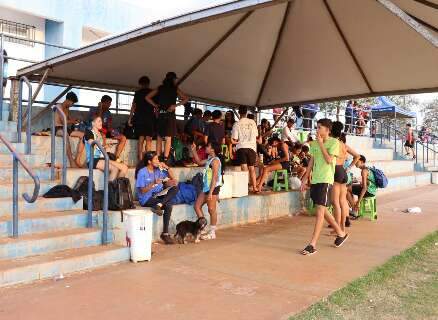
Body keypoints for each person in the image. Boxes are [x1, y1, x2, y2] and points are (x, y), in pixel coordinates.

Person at [300, 118, 349, 255]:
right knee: (322, 209)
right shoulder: (314, 143)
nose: (317, 130)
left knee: (320, 211)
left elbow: (328, 160)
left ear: (327, 130)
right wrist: (305, 178)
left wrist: (321, 144)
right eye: (317, 127)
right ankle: (340, 233)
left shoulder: (334, 143)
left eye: (319, 127)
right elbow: (312, 161)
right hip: (315, 179)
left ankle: (312, 244)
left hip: (326, 180)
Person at [136, 151, 178, 245]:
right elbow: (142, 191)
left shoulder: (158, 170)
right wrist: (153, 183)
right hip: (146, 199)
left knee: (175, 188)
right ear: (149, 161)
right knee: (169, 205)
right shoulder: (142, 172)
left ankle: (159, 204)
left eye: (158, 159)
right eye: (155, 159)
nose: (158, 161)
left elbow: (174, 181)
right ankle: (165, 233)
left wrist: (166, 167)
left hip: (157, 196)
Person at [146, 72, 189, 163]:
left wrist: (156, 105)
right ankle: (165, 159)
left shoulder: (160, 88)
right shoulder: (175, 89)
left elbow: (147, 97)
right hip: (170, 114)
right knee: (168, 138)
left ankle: (157, 158)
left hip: (161, 114)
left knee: (159, 137)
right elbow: (186, 98)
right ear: (173, 79)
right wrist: (175, 105)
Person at [191, 142, 224, 240]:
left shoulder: (215, 161)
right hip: (206, 187)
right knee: (197, 206)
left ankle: (212, 232)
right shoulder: (210, 159)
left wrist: (211, 193)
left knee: (211, 209)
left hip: (212, 188)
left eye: (208, 146)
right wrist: (193, 150)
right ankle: (203, 227)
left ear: (213, 149)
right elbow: (198, 162)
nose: (206, 148)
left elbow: (214, 178)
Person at [330, 121, 360, 233]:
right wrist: (349, 168)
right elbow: (357, 156)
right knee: (342, 201)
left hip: (336, 172)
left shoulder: (333, 143)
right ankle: (341, 227)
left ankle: (337, 229)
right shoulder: (343, 145)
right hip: (343, 172)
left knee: (335, 202)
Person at [84, 115, 128, 181]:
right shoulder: (89, 132)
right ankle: (110, 190)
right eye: (99, 121)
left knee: (124, 167)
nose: (101, 123)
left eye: (101, 121)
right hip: (93, 160)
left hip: (102, 158)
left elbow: (99, 148)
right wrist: (101, 145)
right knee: (114, 169)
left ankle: (118, 188)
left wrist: (105, 146)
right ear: (93, 123)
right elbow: (92, 143)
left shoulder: (100, 134)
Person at [128, 76, 157, 161]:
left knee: (141, 139)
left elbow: (133, 106)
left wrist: (130, 118)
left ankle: (140, 160)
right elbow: (156, 107)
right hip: (149, 118)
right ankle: (148, 161)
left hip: (139, 118)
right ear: (148, 83)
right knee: (149, 140)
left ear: (140, 84)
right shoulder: (152, 92)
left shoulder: (137, 93)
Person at [231, 105, 259, 192]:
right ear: (246, 112)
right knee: (252, 169)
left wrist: (232, 140)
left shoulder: (237, 124)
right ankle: (254, 188)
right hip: (251, 147)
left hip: (241, 147)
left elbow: (235, 138)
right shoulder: (253, 122)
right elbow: (256, 135)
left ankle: (245, 188)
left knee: (244, 169)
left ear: (239, 112)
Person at [91, 95, 127, 159]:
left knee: (123, 138)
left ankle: (116, 158)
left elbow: (109, 127)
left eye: (110, 103)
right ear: (103, 103)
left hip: (105, 130)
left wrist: (114, 132)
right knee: (103, 136)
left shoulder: (108, 113)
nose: (109, 105)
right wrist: (100, 108)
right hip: (97, 131)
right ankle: (103, 158)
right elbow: (96, 121)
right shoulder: (94, 109)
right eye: (108, 103)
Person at [54, 92, 84, 168]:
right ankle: (71, 161)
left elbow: (68, 120)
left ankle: (77, 158)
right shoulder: (59, 106)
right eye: (72, 103)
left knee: (83, 135)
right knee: (65, 135)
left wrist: (75, 120)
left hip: (66, 128)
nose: (72, 104)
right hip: (58, 128)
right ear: (68, 100)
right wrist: (73, 121)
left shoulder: (67, 108)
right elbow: (63, 120)